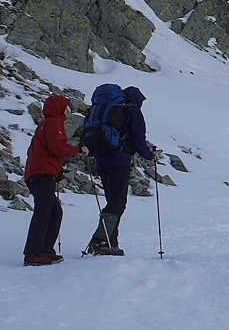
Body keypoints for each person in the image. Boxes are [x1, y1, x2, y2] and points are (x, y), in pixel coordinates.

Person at [85, 86, 153, 256]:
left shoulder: (108, 110)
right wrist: (150, 156)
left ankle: (110, 243)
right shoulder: (132, 110)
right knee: (118, 203)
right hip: (119, 160)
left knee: (112, 201)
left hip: (101, 159)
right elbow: (138, 139)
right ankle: (99, 241)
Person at [22, 94, 85, 266]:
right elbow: (57, 148)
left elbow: (42, 150)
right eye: (64, 106)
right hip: (43, 173)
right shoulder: (53, 123)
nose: (66, 109)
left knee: (53, 211)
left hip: (37, 172)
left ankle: (45, 249)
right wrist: (78, 150)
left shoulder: (44, 124)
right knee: (44, 211)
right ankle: (33, 253)